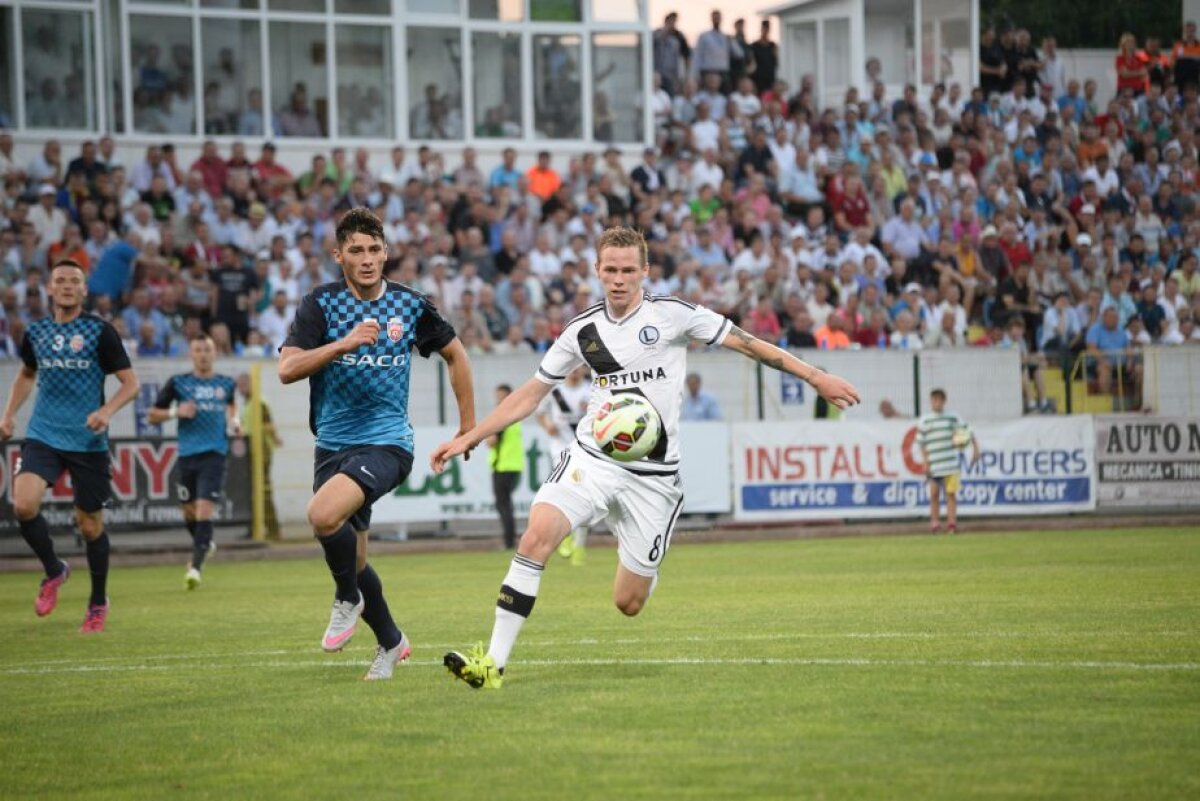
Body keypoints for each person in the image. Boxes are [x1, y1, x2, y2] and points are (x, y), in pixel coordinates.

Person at [431, 227, 860, 690]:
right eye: (610, 270)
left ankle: (641, 564)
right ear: (597, 271)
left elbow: (747, 342)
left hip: (653, 479)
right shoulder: (582, 331)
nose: (618, 279)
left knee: (628, 602)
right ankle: (492, 664)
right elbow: (531, 394)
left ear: (645, 271)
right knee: (536, 536)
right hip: (593, 459)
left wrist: (814, 376)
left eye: (628, 270)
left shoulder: (673, 316)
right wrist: (471, 436)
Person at [277, 208, 476, 681]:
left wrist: (467, 427)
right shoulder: (320, 305)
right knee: (356, 558)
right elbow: (287, 369)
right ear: (339, 255)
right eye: (356, 251)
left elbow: (456, 354)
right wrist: (341, 345)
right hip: (332, 446)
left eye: (374, 250)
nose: (366, 259)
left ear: (385, 253)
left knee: (322, 515)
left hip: (388, 443)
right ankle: (390, 641)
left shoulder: (409, 305)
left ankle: (347, 598)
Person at [0, 260, 139, 632]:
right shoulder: (37, 331)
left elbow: (131, 384)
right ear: (49, 288)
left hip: (87, 442)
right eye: (59, 280)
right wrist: (8, 414)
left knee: (89, 526)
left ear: (83, 290)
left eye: (73, 281)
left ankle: (97, 602)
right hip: (43, 434)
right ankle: (54, 570)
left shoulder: (100, 332)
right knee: (23, 504)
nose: (66, 286)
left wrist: (106, 411)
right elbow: (27, 374)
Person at [147, 334, 239, 590]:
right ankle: (205, 542)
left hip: (215, 454)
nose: (203, 355)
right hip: (187, 456)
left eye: (207, 350)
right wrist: (176, 412)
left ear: (215, 353)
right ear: (191, 354)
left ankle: (195, 567)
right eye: (198, 350)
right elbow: (152, 415)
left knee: (204, 509)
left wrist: (234, 422)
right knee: (188, 512)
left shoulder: (226, 383)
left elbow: (232, 407)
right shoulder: (178, 383)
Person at [535, 366, 591, 565]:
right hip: (560, 449)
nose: (575, 371)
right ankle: (566, 535)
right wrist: (547, 425)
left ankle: (579, 545)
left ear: (584, 369)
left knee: (585, 496)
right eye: (572, 367)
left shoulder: (591, 389)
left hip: (585, 449)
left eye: (579, 367)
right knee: (564, 491)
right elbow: (539, 412)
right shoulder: (555, 390)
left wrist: (591, 411)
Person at [916, 388, 979, 535]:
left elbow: (968, 431)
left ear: (944, 401)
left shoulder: (952, 417)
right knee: (934, 494)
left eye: (939, 400)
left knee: (951, 494)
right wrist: (925, 462)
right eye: (933, 400)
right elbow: (921, 443)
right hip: (934, 464)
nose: (936, 403)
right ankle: (935, 524)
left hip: (950, 465)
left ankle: (951, 524)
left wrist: (976, 449)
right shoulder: (925, 420)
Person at [237, 372, 283, 541]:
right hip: (251, 450)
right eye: (239, 386)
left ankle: (273, 530)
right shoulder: (247, 403)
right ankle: (254, 528)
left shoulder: (258, 402)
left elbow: (268, 424)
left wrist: (275, 438)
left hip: (261, 450)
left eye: (244, 385)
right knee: (253, 491)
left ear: (251, 384)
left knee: (263, 490)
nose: (241, 389)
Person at [489, 384, 523, 550]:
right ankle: (511, 539)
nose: (499, 400)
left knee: (503, 505)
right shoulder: (515, 414)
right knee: (506, 504)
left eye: (501, 396)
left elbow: (492, 441)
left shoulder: (503, 416)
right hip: (513, 465)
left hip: (503, 466)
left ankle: (509, 541)